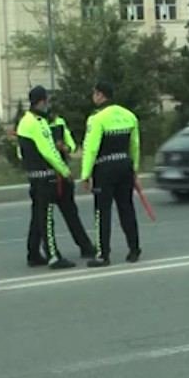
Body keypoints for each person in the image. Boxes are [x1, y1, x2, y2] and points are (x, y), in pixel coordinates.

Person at [79, 82, 142, 267]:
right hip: (125, 166)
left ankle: (103, 255)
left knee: (102, 212)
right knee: (126, 208)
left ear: (100, 95)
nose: (93, 97)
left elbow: (91, 149)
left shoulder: (96, 118)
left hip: (105, 169)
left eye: (94, 93)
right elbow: (135, 145)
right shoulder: (129, 115)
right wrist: (134, 169)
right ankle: (134, 249)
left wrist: (85, 174)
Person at [16, 86, 76, 270]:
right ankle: (53, 256)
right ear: (42, 101)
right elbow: (48, 151)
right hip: (45, 177)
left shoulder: (25, 121)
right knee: (47, 218)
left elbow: (20, 152)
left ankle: (33, 253)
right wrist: (64, 171)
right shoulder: (37, 123)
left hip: (34, 176)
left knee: (38, 216)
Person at [45, 97, 96, 258]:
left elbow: (72, 146)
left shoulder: (59, 122)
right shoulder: (33, 124)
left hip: (62, 174)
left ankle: (85, 246)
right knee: (42, 218)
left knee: (71, 212)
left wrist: (64, 147)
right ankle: (35, 252)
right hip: (46, 175)